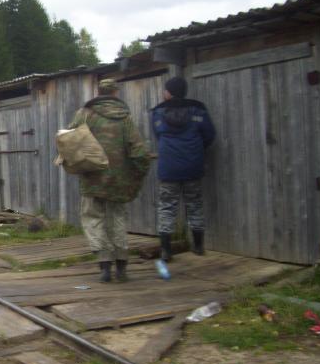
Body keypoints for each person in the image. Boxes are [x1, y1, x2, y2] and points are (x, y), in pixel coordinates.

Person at [68, 78, 151, 282]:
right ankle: (121, 267)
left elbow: (68, 141)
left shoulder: (84, 114)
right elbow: (139, 152)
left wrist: (76, 165)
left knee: (93, 219)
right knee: (117, 219)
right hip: (119, 181)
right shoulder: (125, 118)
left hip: (91, 179)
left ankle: (104, 267)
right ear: (115, 93)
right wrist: (139, 174)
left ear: (99, 92)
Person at [152, 76, 216, 261]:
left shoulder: (158, 113)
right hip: (193, 166)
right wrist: (196, 150)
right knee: (195, 204)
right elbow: (210, 135)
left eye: (165, 90)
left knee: (166, 207)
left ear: (169, 92)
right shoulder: (198, 109)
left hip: (168, 167)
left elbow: (158, 136)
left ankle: (165, 250)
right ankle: (198, 246)